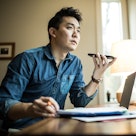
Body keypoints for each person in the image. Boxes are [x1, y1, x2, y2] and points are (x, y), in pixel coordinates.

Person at [0, 7, 116, 130]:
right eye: (70, 28)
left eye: (78, 30)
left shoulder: (75, 63)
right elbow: (3, 102)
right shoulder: (27, 59)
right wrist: (30, 109)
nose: (76, 34)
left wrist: (97, 77)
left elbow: (79, 101)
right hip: (22, 129)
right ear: (53, 32)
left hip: (54, 128)